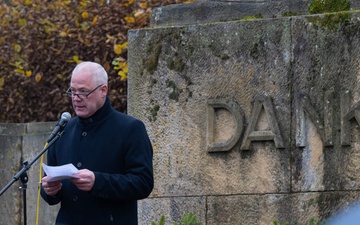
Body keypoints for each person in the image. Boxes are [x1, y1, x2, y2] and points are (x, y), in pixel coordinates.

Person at [41, 61, 154, 225]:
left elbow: (143, 183)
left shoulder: (130, 129)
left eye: (83, 92)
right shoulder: (63, 130)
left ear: (103, 91)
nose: (76, 98)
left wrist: (98, 182)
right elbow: (51, 188)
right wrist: (50, 191)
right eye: (72, 92)